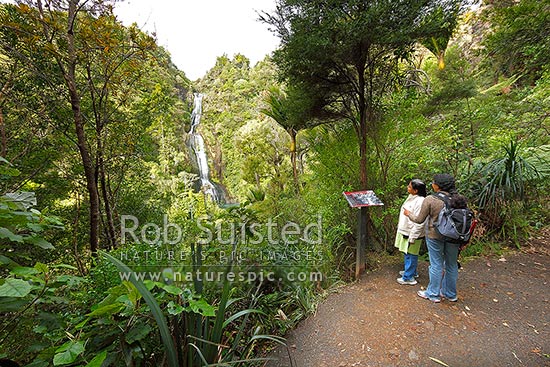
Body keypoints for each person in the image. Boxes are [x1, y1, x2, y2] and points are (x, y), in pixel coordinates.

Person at [403, 173, 460, 303]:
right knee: (451, 264)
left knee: (436, 264)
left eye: (434, 182)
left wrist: (408, 214)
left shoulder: (431, 199)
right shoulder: (459, 199)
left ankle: (433, 293)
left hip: (435, 236)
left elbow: (419, 219)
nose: (432, 184)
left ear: (438, 186)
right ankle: (450, 294)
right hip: (454, 237)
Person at [395, 179, 427, 285]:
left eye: (409, 187)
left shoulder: (420, 201)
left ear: (416, 190)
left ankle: (408, 277)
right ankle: (411, 272)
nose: (407, 188)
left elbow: (419, 222)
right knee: (407, 252)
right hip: (406, 230)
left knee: (411, 254)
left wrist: (413, 236)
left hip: (412, 233)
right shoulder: (412, 197)